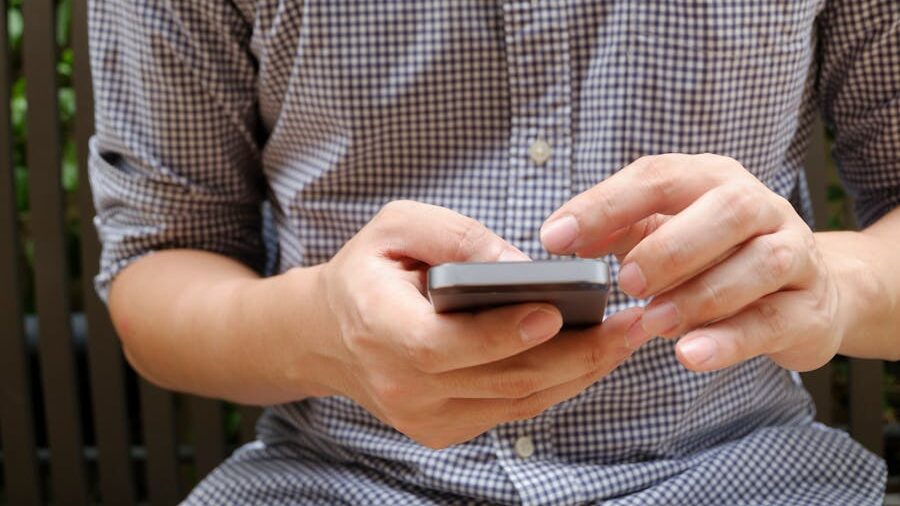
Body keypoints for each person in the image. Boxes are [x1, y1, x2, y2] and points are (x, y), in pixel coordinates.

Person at [88, 1, 897, 504]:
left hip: (744, 475)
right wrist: (320, 331)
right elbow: (163, 264)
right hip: (338, 479)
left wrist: (834, 288)